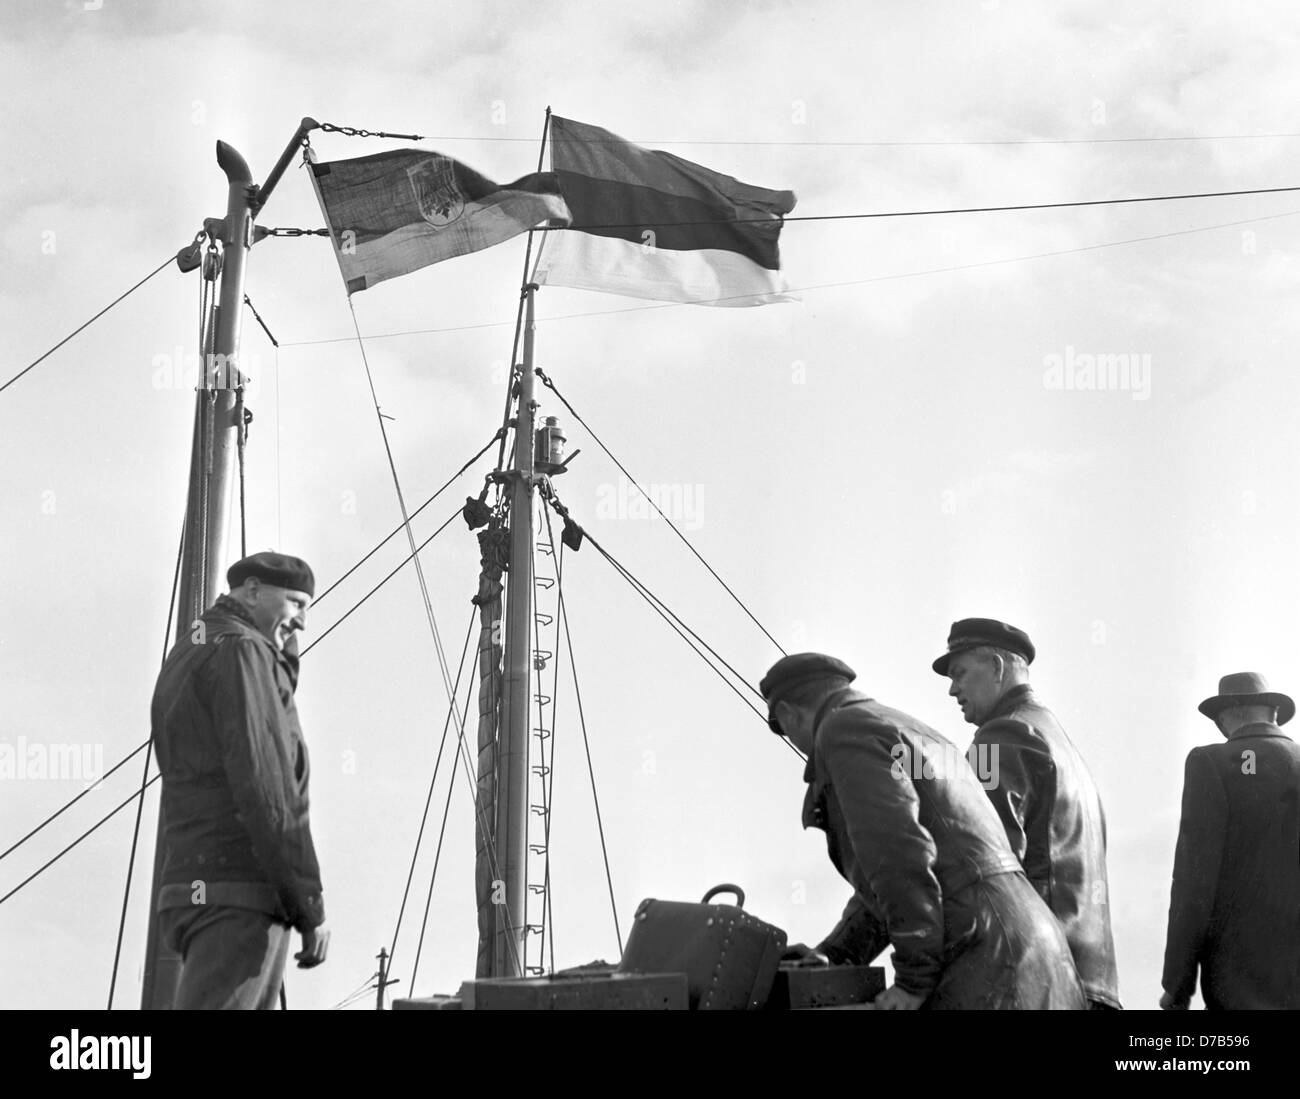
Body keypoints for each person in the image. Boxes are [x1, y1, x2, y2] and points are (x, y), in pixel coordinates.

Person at [761, 652, 1084, 1010]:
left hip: (986, 962)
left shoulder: (843, 730)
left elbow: (899, 858)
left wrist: (914, 980)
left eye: (779, 726)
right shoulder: (911, 730)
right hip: (1035, 956)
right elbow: (908, 871)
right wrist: (834, 954)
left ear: (788, 713)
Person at [151, 551, 329, 1009]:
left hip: (193, 886)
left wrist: (283, 667)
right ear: (252, 591)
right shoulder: (243, 651)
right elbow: (268, 791)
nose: (302, 622)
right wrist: (308, 905)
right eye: (295, 603)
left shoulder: (193, 648)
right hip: (239, 893)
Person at [933, 618, 1121, 1010]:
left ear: (998, 668)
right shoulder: (1064, 747)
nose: (952, 689)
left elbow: (974, 866)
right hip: (1092, 986)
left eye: (960, 673)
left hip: (1041, 981)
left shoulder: (1002, 737)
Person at [1161, 671, 1300, 1010]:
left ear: (1230, 714)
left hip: (1241, 981)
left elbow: (1193, 885)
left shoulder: (1212, 763)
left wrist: (1176, 983)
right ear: (1274, 713)